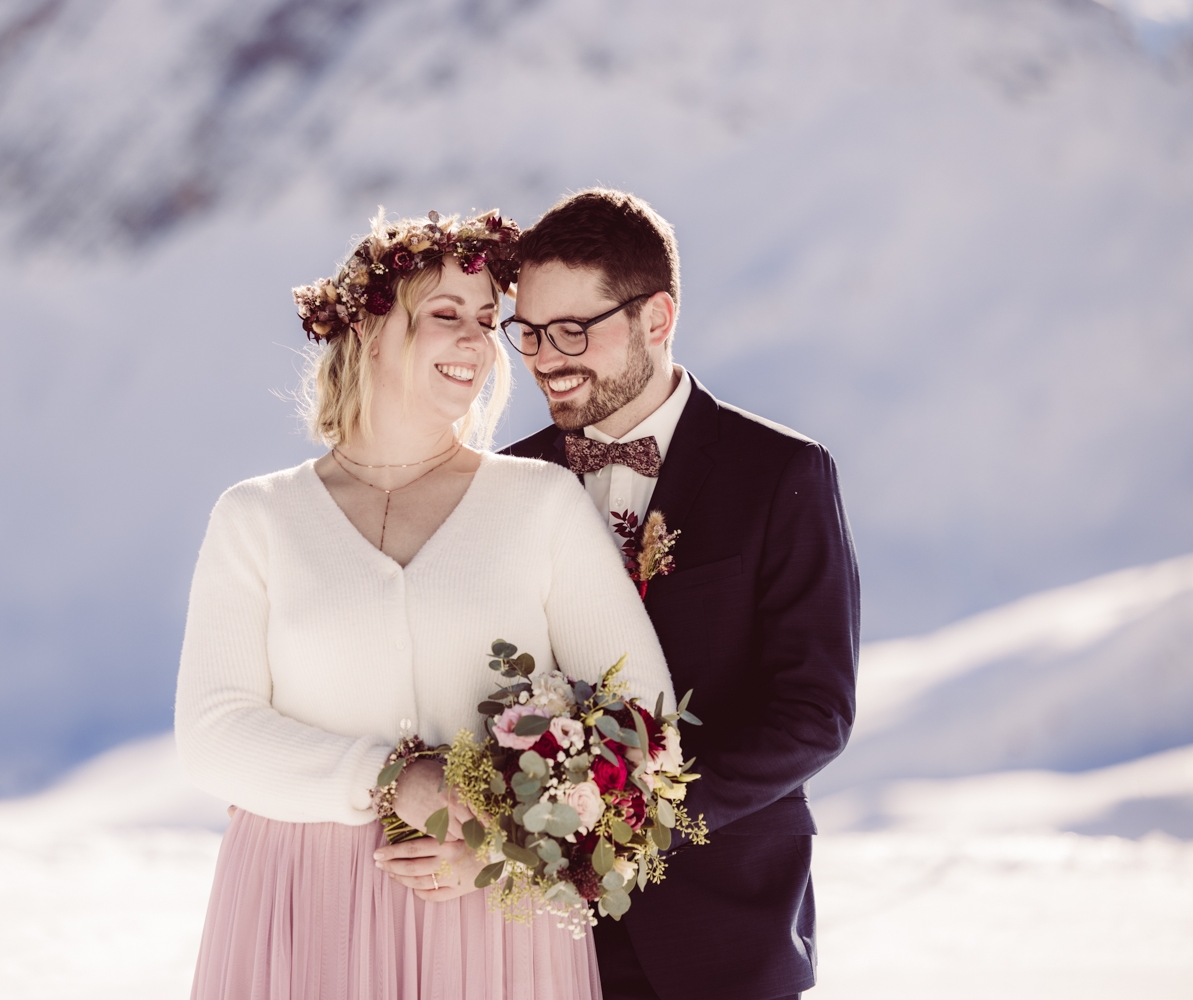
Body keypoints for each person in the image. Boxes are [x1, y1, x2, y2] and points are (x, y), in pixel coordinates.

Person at [175, 208, 676, 999]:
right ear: (369, 329)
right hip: (301, 907)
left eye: (486, 320)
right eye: (447, 315)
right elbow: (212, 732)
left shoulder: (540, 502)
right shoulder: (258, 517)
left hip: (489, 911)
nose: (477, 341)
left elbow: (644, 723)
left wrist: (505, 845)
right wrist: (390, 777)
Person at [499, 189, 861, 1000]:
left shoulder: (781, 473)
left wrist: (634, 814)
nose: (545, 358)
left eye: (573, 330)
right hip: (543, 941)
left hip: (727, 934)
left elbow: (814, 711)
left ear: (657, 318)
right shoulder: (504, 482)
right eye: (530, 332)